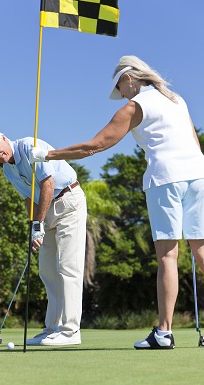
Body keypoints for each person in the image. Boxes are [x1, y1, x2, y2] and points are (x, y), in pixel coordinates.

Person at [29, 55, 204, 349]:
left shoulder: (135, 106)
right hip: (199, 174)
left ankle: (163, 333)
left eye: (120, 87)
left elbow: (95, 146)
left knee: (168, 255)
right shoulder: (177, 99)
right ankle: (164, 331)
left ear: (129, 78)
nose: (120, 94)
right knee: (200, 251)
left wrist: (48, 155)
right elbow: (194, 142)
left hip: (166, 178)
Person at [0, 127, 87, 346]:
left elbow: (48, 184)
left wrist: (38, 222)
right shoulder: (8, 170)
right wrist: (34, 227)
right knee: (47, 270)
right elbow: (29, 198)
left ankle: (70, 330)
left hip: (68, 202)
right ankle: (52, 328)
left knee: (67, 267)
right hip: (46, 211)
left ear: (4, 139)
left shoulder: (28, 146)